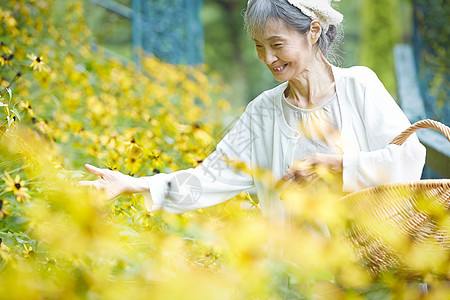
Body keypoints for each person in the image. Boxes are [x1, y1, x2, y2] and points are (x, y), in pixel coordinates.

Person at [80, 0, 426, 216]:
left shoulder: (359, 86)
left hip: (371, 268)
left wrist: (338, 166)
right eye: (259, 46)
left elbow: (409, 160)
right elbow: (207, 179)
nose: (268, 59)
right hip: (297, 277)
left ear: (314, 31)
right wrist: (132, 184)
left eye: (277, 44)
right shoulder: (263, 112)